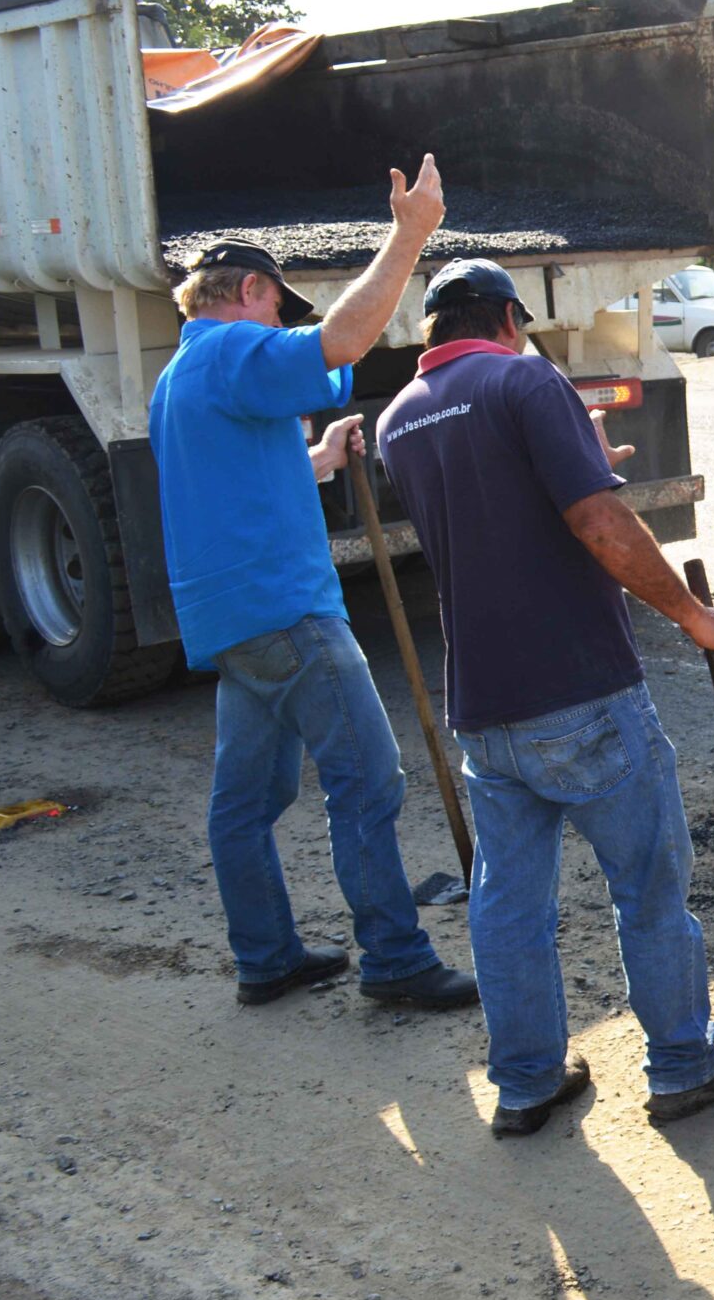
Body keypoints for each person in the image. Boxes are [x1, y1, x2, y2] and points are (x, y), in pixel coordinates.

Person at [375, 259, 714, 1137]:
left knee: (508, 906)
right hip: (580, 690)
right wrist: (692, 614)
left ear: (433, 329)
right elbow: (599, 523)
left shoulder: (398, 419)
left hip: (484, 707)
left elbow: (496, 507)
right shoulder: (526, 379)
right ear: (512, 316)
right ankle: (682, 1066)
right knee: (649, 889)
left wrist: (581, 457)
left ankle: (524, 1085)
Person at [148, 160, 480, 1013]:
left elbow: (229, 479)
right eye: (274, 306)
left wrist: (319, 460)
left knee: (246, 801)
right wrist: (409, 236)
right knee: (367, 779)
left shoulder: (179, 375)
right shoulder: (233, 349)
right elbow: (341, 343)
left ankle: (265, 957)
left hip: (233, 621)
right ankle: (396, 960)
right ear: (251, 290)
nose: (277, 325)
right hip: (287, 611)